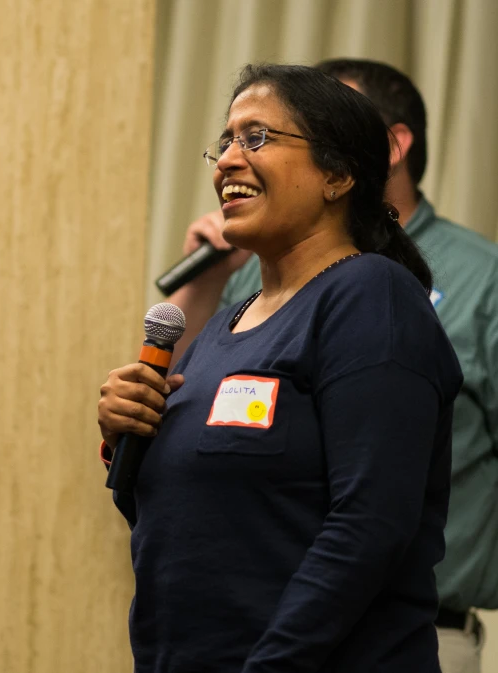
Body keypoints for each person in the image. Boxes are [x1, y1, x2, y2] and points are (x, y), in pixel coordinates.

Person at [98, 63, 463, 673]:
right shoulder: (229, 321)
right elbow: (184, 521)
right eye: (226, 141)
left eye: (258, 137)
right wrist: (125, 436)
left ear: (338, 174)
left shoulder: (370, 296)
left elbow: (370, 524)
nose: (226, 161)